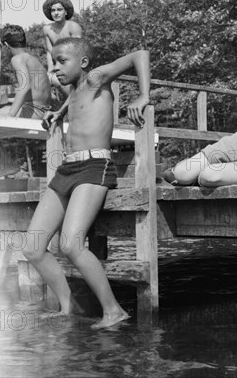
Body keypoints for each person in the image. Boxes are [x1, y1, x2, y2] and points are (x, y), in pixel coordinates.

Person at [22, 37, 150, 329]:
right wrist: (61, 112)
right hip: (68, 169)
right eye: (53, 61)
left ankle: (114, 310)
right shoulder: (74, 88)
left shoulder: (96, 78)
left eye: (62, 61)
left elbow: (139, 53)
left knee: (70, 244)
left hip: (94, 166)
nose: (55, 67)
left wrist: (143, 96)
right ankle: (70, 306)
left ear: (83, 63)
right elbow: (75, 99)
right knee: (32, 246)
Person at [0, 24, 52, 192]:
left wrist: (11, 115)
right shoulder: (31, 58)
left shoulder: (17, 59)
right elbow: (34, 90)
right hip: (41, 108)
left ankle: (7, 164)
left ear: (5, 45)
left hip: (34, 111)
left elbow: (25, 86)